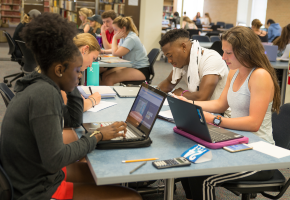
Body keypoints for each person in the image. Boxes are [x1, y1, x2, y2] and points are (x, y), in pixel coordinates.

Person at [0, 12, 142, 200]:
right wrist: (97, 136)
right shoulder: (44, 95)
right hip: (37, 189)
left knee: (108, 176)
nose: (80, 75)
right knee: (132, 197)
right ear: (59, 70)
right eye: (77, 71)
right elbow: (55, 160)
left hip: (37, 173)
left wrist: (72, 82)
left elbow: (74, 120)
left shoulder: (41, 83)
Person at [179, 26, 280, 200]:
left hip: (260, 154)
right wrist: (190, 104)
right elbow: (220, 104)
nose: (223, 57)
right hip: (237, 142)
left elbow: (253, 123)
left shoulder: (260, 76)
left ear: (245, 51)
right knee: (189, 162)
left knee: (203, 177)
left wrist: (216, 120)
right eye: (223, 52)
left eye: (229, 53)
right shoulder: (234, 72)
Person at [158, 29, 228, 101]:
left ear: (183, 47)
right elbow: (168, 84)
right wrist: (150, 92)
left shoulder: (211, 59)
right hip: (199, 107)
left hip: (218, 111)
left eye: (170, 56)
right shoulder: (182, 61)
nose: (169, 61)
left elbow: (203, 97)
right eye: (167, 57)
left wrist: (182, 93)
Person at [100, 16, 150, 86]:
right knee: (104, 75)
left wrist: (114, 38)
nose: (114, 32)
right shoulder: (125, 37)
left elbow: (115, 53)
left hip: (140, 69)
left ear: (123, 28)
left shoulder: (131, 38)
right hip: (131, 66)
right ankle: (101, 95)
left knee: (109, 79)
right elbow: (117, 49)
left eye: (116, 30)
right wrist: (103, 51)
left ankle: (107, 95)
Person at [61, 33, 101, 112]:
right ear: (85, 50)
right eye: (93, 58)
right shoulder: (65, 69)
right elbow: (76, 107)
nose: (90, 65)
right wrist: (93, 100)